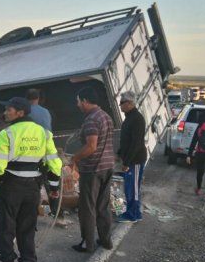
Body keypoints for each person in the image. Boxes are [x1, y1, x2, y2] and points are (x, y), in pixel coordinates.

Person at [0, 97, 62, 262]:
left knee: (6, 231)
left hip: (11, 188)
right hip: (32, 190)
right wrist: (53, 188)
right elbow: (54, 163)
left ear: (20, 113)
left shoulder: (6, 134)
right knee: (27, 232)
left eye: (9, 110)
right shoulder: (44, 133)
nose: (6, 113)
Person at [71, 88, 116, 253]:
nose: (77, 105)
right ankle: (106, 240)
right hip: (108, 166)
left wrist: (74, 158)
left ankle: (87, 243)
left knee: (87, 207)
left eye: (78, 101)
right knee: (103, 206)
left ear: (84, 100)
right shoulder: (106, 116)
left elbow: (91, 146)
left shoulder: (91, 119)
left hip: (93, 170)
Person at [26, 88, 62, 223]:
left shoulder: (26, 112)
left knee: (32, 183)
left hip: (33, 151)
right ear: (38, 98)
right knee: (51, 182)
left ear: (27, 99)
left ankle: (32, 213)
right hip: (48, 150)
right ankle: (57, 213)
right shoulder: (46, 112)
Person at [116, 91, 147, 223]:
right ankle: (135, 212)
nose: (120, 105)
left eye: (122, 103)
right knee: (129, 187)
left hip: (135, 160)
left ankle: (132, 214)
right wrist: (119, 154)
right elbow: (126, 140)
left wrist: (127, 162)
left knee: (132, 188)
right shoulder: (129, 118)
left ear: (130, 103)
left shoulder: (137, 119)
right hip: (130, 159)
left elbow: (136, 143)